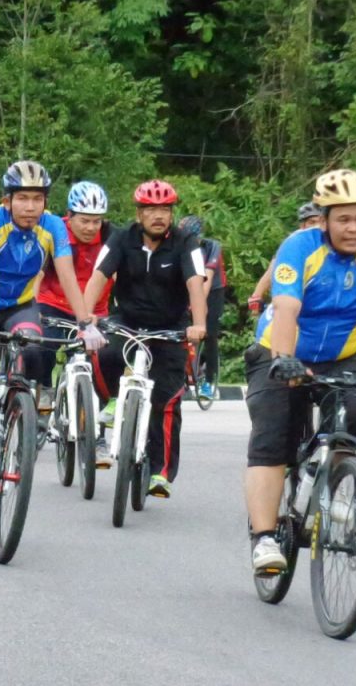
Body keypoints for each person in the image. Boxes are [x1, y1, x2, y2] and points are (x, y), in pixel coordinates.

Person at [245, 169, 356, 571]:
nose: (354, 227)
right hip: (280, 350)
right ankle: (264, 538)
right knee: (273, 439)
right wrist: (283, 359)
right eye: (343, 219)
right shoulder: (299, 247)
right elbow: (287, 307)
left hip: (343, 355)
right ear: (324, 220)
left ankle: (339, 482)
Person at [0, 161, 106, 523]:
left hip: (19, 310)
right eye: (23, 199)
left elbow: (67, 278)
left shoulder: (51, 229)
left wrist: (84, 324)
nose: (31, 207)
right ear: (7, 200)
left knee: (33, 344)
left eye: (38, 199)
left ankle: (21, 407)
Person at [82, 180, 207, 498]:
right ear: (139, 213)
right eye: (151, 209)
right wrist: (86, 320)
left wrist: (199, 324)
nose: (158, 215)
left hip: (170, 328)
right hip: (128, 322)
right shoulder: (122, 238)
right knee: (101, 353)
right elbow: (98, 276)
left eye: (165, 209)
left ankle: (160, 472)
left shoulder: (186, 243)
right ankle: (110, 399)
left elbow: (195, 283)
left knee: (166, 401)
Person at [29, 180, 114, 465]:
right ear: (70, 216)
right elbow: (38, 272)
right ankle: (46, 389)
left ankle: (98, 434)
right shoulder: (55, 232)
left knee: (102, 365)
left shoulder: (111, 237)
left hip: (95, 312)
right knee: (40, 346)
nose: (91, 228)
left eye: (97, 221)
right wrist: (30, 305)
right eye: (85, 221)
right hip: (53, 305)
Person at [178, 215, 225, 398]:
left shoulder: (212, 247)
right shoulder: (178, 245)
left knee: (210, 334)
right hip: (187, 288)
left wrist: (197, 303)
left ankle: (209, 382)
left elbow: (207, 278)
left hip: (212, 290)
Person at [248, 202, 323, 314]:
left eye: (320, 222)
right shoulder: (294, 244)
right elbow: (273, 269)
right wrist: (256, 297)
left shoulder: (334, 242)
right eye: (312, 222)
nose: (317, 227)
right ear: (302, 226)